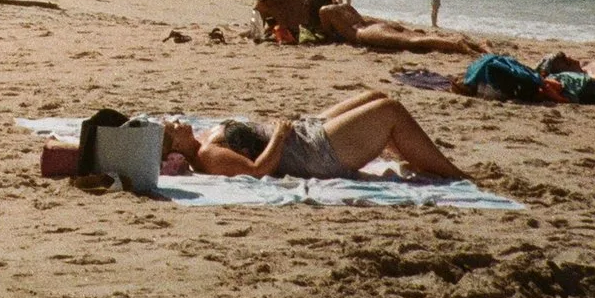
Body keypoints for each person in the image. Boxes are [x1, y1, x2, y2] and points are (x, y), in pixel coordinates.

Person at [159, 90, 467, 181]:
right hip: (313, 152)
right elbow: (257, 170)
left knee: (376, 95)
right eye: (173, 128)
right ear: (176, 148)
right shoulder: (207, 156)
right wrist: (279, 134)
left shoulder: (200, 138)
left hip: (305, 131)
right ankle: (453, 173)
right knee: (390, 110)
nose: (176, 122)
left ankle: (416, 155)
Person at [311, 0, 481, 55]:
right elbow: (359, 18)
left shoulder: (324, 10)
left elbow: (328, 35)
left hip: (363, 32)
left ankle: (457, 44)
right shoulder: (343, 5)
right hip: (374, 24)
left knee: (414, 41)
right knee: (415, 36)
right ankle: (476, 44)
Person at [250, 0, 325, 43]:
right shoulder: (262, 7)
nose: (269, 2)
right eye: (263, 0)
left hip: (311, 28)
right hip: (290, 36)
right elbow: (256, 33)